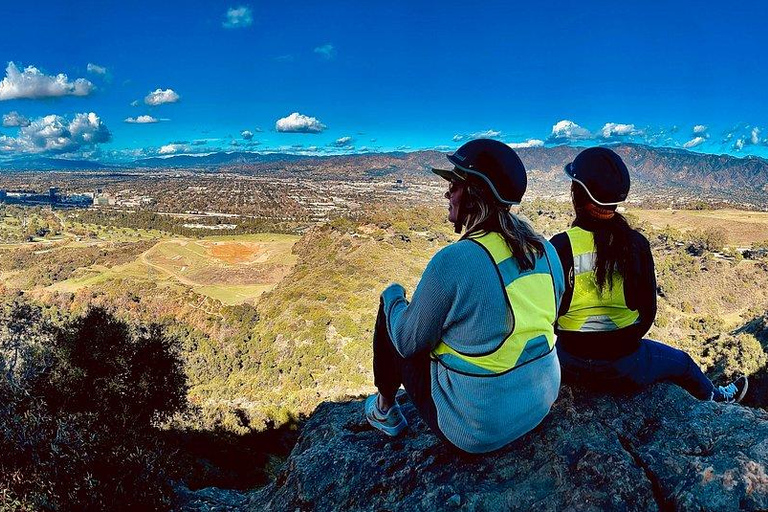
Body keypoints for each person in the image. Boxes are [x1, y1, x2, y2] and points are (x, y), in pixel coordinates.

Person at [365, 139, 565, 454]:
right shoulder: (546, 250)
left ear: (473, 194)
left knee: (394, 312)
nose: (448, 193)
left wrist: (394, 297)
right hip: (540, 402)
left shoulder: (456, 260)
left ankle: (384, 409)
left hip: (476, 427)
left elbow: (406, 342)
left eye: (455, 185)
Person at [551, 146, 748, 403]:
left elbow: (549, 313)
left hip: (568, 362)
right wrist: (622, 344)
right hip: (624, 362)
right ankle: (717, 398)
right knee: (684, 364)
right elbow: (647, 313)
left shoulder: (559, 246)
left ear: (576, 194)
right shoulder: (635, 243)